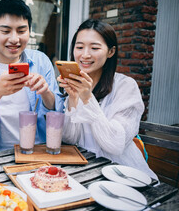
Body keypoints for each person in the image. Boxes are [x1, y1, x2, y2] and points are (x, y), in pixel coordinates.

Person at [0, 0, 64, 155]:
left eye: (22, 31)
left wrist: (46, 92)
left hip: (38, 153)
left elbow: (58, 113)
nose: (15, 39)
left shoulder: (41, 61)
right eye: (6, 31)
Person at [58, 19, 157, 179]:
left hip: (124, 174)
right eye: (79, 47)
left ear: (111, 52)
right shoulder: (76, 83)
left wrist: (87, 97)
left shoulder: (126, 86)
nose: (85, 55)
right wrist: (73, 99)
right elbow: (70, 138)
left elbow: (115, 144)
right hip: (87, 171)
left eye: (95, 48)